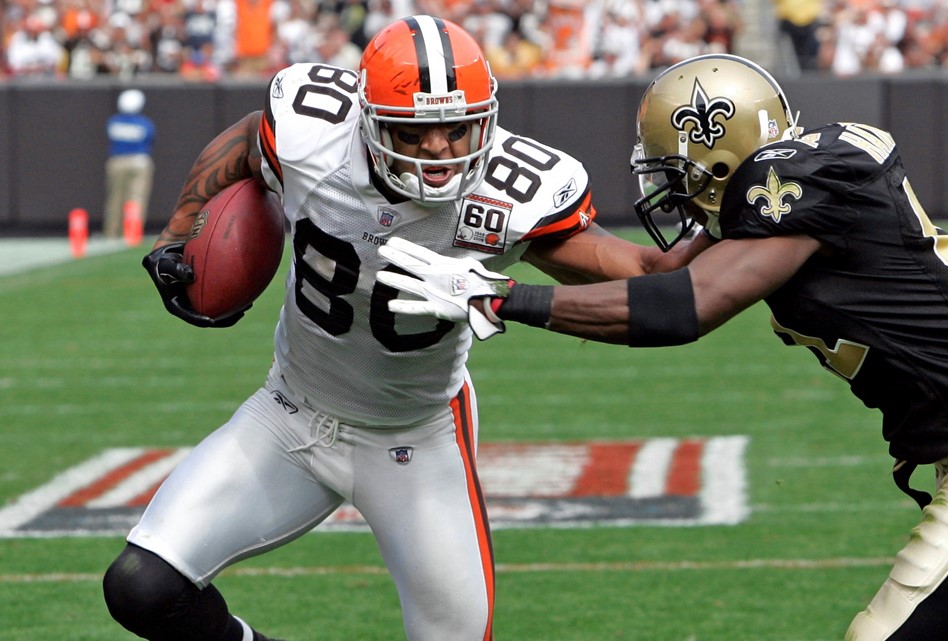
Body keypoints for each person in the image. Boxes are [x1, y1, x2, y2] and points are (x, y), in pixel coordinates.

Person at [376, 53, 948, 640]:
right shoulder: (803, 181)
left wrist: (497, 299)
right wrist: (518, 243)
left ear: (722, 158)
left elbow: (685, 306)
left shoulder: (788, 186)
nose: (671, 195)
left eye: (678, 173)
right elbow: (662, 270)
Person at [102, 15, 699, 641]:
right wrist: (181, 230)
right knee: (143, 587)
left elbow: (644, 274)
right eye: (416, 132)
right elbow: (247, 140)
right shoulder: (314, 136)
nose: (442, 149)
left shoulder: (507, 193)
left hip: (416, 437)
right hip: (288, 413)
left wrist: (725, 218)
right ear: (368, 119)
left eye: (457, 127)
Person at [104, 88, 156, 240]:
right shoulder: (145, 124)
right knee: (136, 199)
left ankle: (111, 233)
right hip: (139, 162)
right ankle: (132, 234)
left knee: (115, 199)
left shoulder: (113, 122)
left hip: (117, 161)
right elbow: (150, 140)